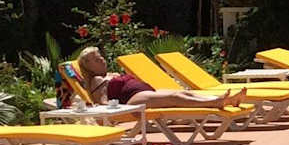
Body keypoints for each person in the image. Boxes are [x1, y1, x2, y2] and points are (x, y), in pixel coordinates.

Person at [73, 46, 232, 109]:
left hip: (143, 92)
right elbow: (102, 101)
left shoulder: (108, 75)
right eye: (96, 60)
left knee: (184, 92)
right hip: (131, 99)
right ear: (88, 67)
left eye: (100, 56)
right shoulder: (96, 80)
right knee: (175, 97)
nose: (102, 60)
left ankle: (221, 99)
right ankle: (214, 103)